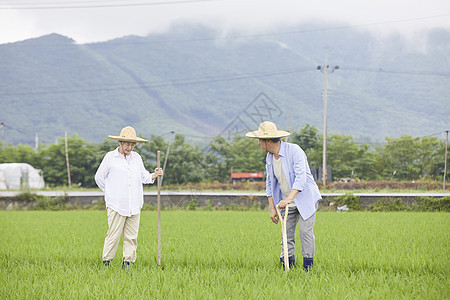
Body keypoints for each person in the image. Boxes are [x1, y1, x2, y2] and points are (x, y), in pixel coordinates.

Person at [246, 121, 322, 271]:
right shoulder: (269, 158)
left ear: (268, 141)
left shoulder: (294, 151)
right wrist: (272, 208)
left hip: (305, 198)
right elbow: (270, 183)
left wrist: (289, 199)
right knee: (286, 234)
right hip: (285, 202)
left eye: (260, 141)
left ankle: (308, 268)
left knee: (305, 232)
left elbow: (301, 178)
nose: (259, 144)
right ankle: (287, 267)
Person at [95, 126, 163, 268]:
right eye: (127, 144)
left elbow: (144, 176)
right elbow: (99, 178)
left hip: (134, 204)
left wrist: (154, 175)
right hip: (116, 204)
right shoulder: (110, 157)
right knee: (113, 235)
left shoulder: (136, 158)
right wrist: (111, 193)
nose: (130, 147)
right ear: (120, 143)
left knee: (131, 237)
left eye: (132, 144)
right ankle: (106, 262)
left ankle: (128, 263)